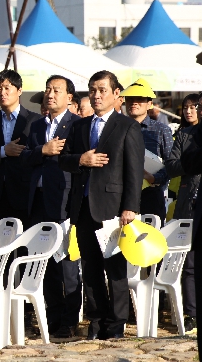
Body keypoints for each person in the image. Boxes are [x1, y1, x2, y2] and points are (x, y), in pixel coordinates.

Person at [59, 70, 144, 340]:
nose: (96, 95)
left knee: (115, 269)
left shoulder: (126, 126)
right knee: (91, 269)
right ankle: (96, 322)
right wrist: (80, 160)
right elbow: (63, 159)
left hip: (113, 209)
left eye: (102, 90)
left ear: (116, 94)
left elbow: (134, 170)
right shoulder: (80, 125)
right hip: (83, 208)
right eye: (93, 90)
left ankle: (116, 324)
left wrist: (129, 207)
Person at [22, 75, 82, 339]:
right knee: (43, 262)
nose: (50, 94)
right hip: (37, 201)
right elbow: (24, 157)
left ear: (69, 97)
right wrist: (43, 151)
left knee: (67, 263)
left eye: (56, 90)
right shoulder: (35, 125)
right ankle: (52, 317)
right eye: (48, 89)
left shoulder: (78, 125)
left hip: (65, 202)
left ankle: (70, 321)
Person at [0, 69, 41, 226]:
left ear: (19, 90)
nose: (2, 93)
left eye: (7, 88)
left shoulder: (35, 120)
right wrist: (3, 151)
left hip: (26, 191)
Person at [165, 93, 201, 335]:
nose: (189, 111)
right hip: (189, 202)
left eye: (194, 106)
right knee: (189, 263)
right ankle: (192, 314)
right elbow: (172, 165)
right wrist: (193, 162)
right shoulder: (184, 135)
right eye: (185, 107)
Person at [120, 79, 173, 222]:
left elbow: (171, 163)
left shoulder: (162, 130)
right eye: (130, 99)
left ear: (150, 104)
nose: (134, 102)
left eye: (140, 99)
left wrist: (154, 178)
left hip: (151, 194)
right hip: (120, 195)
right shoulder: (117, 128)